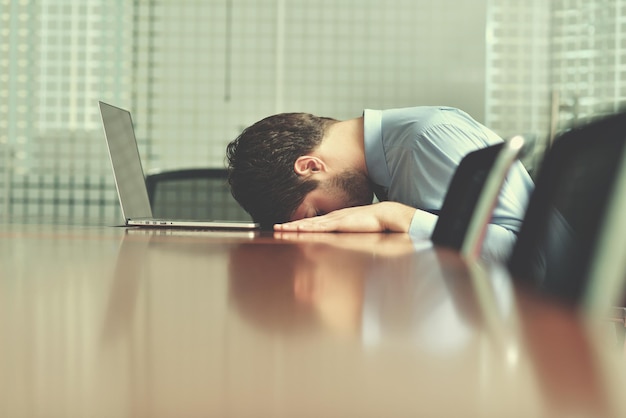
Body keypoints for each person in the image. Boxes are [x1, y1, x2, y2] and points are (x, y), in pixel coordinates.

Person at [226, 106, 534, 257]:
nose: (332, 221)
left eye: (318, 215)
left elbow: (531, 253)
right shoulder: (389, 163)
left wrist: (395, 215)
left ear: (310, 165)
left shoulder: (426, 140)